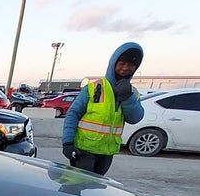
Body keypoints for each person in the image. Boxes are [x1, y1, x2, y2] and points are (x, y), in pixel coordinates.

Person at [62, 42, 145, 175]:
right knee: (77, 186)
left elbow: (135, 118)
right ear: (113, 64)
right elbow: (73, 114)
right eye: (122, 63)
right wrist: (67, 143)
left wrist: (127, 98)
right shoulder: (94, 88)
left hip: (106, 153)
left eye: (130, 65)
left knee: (94, 190)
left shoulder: (132, 92)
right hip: (83, 151)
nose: (125, 68)